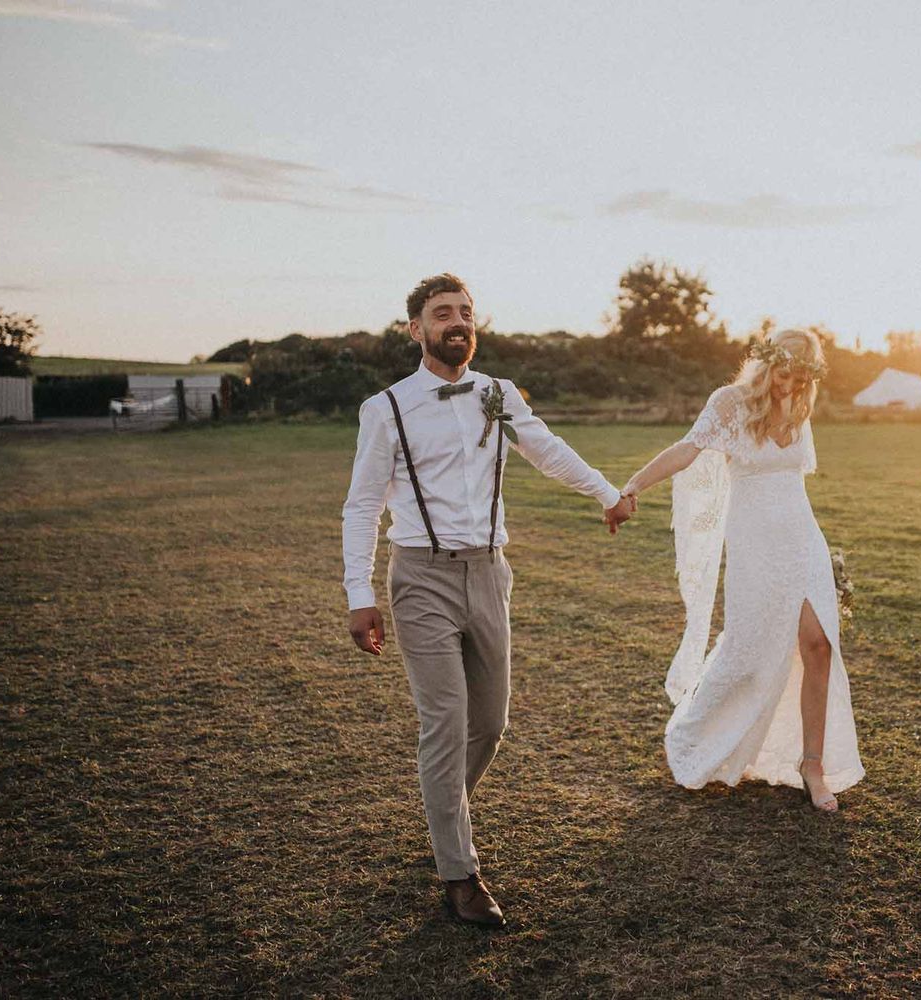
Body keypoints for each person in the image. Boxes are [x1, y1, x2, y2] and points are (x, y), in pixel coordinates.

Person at [342, 273, 634, 926]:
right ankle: (459, 873)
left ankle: (446, 814)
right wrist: (359, 594)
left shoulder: (496, 396)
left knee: (491, 724)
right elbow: (362, 504)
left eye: (466, 312)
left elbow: (547, 452)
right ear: (415, 329)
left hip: (489, 575)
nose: (457, 322)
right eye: (443, 313)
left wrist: (606, 493)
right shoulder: (386, 408)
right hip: (420, 578)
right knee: (444, 723)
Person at [623, 329, 864, 811]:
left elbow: (794, 479)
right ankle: (695, 737)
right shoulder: (730, 403)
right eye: (783, 375)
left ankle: (811, 764)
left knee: (818, 645)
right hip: (754, 545)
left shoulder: (800, 406)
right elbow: (687, 449)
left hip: (802, 539)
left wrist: (797, 394)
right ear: (766, 363)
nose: (789, 387)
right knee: (749, 651)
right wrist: (631, 486)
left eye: (800, 379)